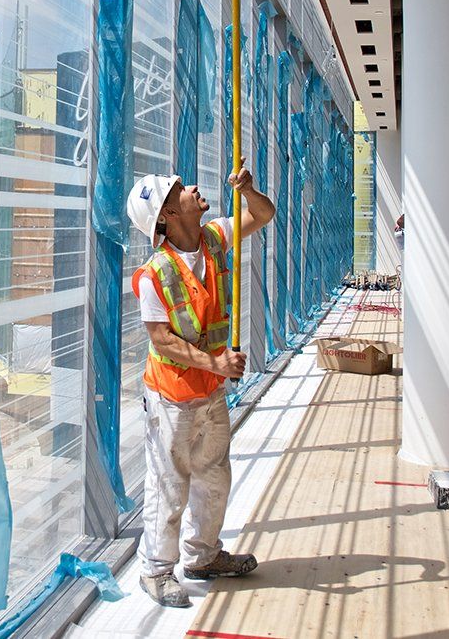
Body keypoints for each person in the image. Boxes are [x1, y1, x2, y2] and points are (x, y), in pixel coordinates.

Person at [127, 161, 276, 608]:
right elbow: (162, 341)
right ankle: (156, 571)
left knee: (214, 477)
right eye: (180, 188)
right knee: (170, 484)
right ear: (169, 215)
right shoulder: (156, 274)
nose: (191, 186)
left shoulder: (212, 237)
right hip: (172, 396)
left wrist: (248, 190)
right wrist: (215, 363)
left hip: (209, 392)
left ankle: (203, 557)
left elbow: (263, 215)